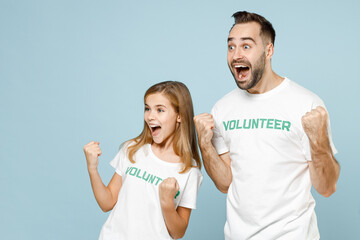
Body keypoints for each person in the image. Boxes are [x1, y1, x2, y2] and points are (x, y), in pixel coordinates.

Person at [194, 11, 340, 240]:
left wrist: (319, 140)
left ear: (269, 51)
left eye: (246, 46)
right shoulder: (222, 108)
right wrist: (205, 145)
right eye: (231, 47)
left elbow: (327, 187)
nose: (236, 55)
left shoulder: (307, 104)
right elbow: (224, 184)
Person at [84, 81, 203, 240]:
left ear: (179, 115)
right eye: (147, 108)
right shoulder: (132, 149)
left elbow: (178, 232)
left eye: (160, 110)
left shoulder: (189, 170)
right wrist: (92, 169)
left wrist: (167, 202)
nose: (150, 116)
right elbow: (107, 203)